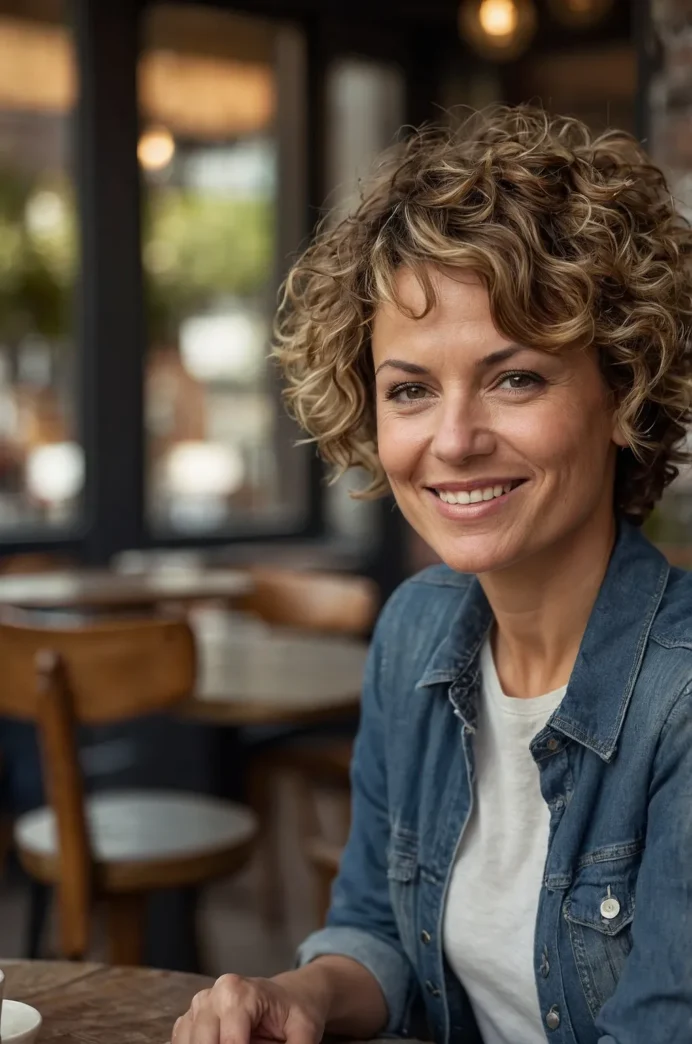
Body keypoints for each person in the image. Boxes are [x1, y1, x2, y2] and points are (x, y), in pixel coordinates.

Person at [172, 106, 692, 1044]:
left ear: (623, 391)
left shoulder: (682, 699)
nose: (453, 441)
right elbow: (379, 929)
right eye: (411, 389)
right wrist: (305, 996)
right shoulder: (416, 629)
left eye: (515, 378)